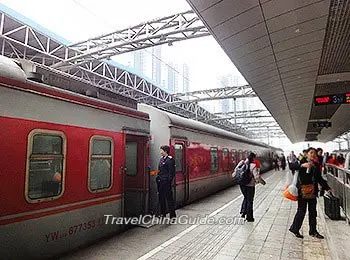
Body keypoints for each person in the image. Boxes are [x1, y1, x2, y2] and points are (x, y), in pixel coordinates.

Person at [289, 147, 331, 239]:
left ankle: (313, 231)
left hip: (312, 191)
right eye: (311, 152)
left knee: (313, 212)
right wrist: (302, 165)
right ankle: (295, 228)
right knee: (301, 211)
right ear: (307, 154)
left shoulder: (316, 165)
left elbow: (319, 178)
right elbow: (291, 166)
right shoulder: (301, 161)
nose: (313, 154)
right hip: (302, 192)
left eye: (314, 153)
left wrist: (327, 187)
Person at [238, 152, 264, 222]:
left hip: (242, 185)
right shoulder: (253, 166)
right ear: (253, 158)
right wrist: (263, 182)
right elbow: (257, 177)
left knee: (246, 198)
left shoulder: (241, 163)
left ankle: (243, 212)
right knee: (250, 201)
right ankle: (249, 217)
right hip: (250, 186)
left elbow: (235, 173)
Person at [157, 145, 176, 218]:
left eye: (161, 150)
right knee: (161, 198)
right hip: (161, 182)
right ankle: (163, 213)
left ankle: (172, 215)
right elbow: (159, 171)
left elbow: (171, 173)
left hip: (166, 184)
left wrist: (168, 182)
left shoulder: (170, 160)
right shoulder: (161, 159)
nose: (160, 152)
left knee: (169, 199)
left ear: (165, 151)